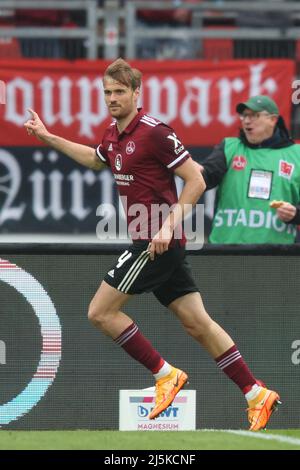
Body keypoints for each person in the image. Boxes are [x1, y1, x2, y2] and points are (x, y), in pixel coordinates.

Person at [24, 59, 280, 430]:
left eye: (119, 92)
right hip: (157, 242)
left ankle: (165, 375)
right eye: (107, 92)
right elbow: (96, 162)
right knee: (198, 324)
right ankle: (256, 393)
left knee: (100, 312)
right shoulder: (113, 135)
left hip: (156, 241)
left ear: (136, 93)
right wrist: (48, 136)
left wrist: (167, 227)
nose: (111, 98)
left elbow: (196, 180)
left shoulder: (155, 132)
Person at [199, 95, 300, 243]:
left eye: (254, 115)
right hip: (225, 250)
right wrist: (189, 167)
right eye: (244, 115)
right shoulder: (229, 147)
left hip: (276, 254)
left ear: (273, 120)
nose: (247, 120)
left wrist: (296, 214)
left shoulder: (296, 154)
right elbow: (204, 177)